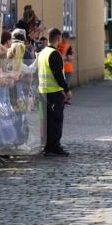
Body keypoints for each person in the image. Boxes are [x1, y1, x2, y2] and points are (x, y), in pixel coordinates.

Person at [38, 27, 72, 156]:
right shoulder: (54, 54)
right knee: (56, 120)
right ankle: (55, 147)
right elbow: (58, 75)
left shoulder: (42, 52)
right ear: (58, 38)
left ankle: (47, 146)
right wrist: (67, 90)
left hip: (42, 91)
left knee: (46, 120)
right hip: (53, 93)